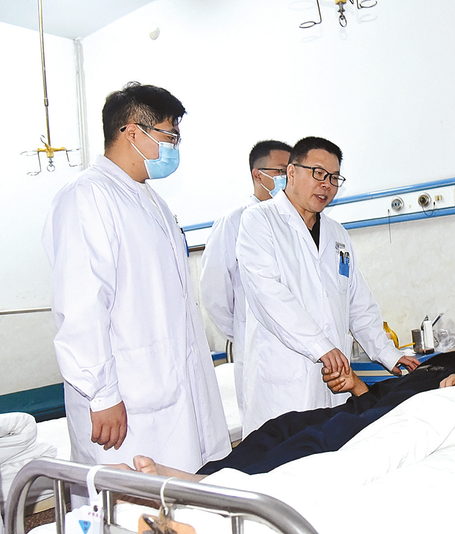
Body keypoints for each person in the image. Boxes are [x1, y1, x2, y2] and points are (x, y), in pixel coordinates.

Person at [41, 82, 231, 473]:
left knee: (182, 491)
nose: (174, 147)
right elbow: (81, 305)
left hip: (170, 384)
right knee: (128, 497)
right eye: (169, 135)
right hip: (126, 399)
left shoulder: (152, 202)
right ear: (131, 131)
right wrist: (101, 394)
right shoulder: (87, 196)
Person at [125, 316, 455, 480]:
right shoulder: (440, 357)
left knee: (329, 435)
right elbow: (387, 390)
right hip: (380, 399)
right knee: (283, 425)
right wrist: (356, 385)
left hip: (419, 408)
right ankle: (207, 474)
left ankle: (219, 487)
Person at [234, 136, 419, 437]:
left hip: (333, 382)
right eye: (318, 173)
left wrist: (388, 353)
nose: (327, 185)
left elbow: (357, 302)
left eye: (334, 178)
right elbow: (268, 296)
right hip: (284, 383)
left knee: (329, 452)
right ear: (291, 172)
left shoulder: (337, 234)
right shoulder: (259, 220)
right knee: (281, 455)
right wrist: (321, 347)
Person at [200, 140, 292, 415]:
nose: (287, 178)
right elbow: (214, 292)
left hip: (296, 350)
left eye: (290, 171)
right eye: (280, 171)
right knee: (266, 425)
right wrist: (243, 331)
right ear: (257, 175)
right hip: (256, 350)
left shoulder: (294, 221)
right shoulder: (234, 221)